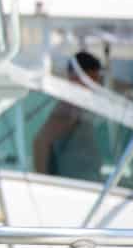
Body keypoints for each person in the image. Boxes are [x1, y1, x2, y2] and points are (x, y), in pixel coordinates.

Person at [32, 51, 104, 181]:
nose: (96, 86)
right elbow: (40, 142)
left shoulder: (79, 106)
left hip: (83, 178)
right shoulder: (69, 107)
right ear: (77, 78)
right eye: (93, 80)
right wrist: (43, 183)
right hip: (73, 181)